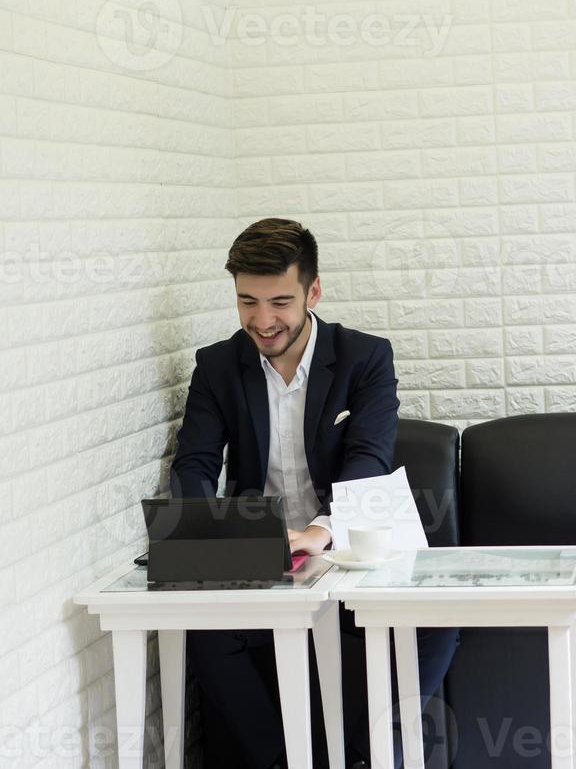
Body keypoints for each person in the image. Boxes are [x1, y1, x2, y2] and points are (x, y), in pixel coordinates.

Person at [170, 217, 458, 769]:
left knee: (437, 623)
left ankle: (358, 758)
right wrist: (202, 526)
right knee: (206, 633)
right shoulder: (217, 366)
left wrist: (321, 530)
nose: (262, 320)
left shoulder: (365, 357)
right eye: (247, 301)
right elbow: (196, 463)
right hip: (266, 552)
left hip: (349, 543)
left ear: (314, 290)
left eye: (279, 301)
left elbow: (369, 460)